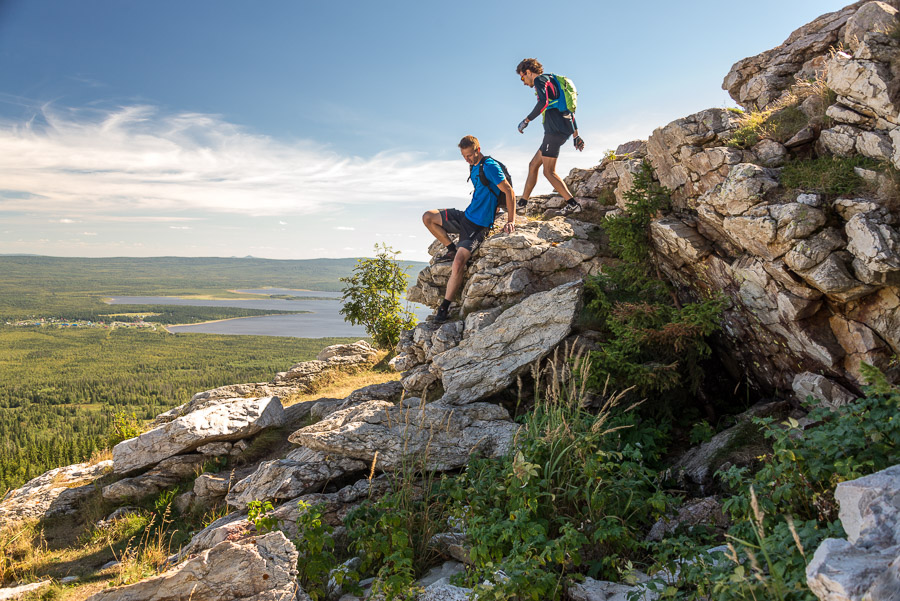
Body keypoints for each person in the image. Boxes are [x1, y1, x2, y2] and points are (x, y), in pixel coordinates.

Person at [422, 135, 516, 323]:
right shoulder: (472, 166)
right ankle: (450, 248)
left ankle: (445, 307)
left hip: (479, 225)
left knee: (458, 263)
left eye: (470, 156)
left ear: (478, 149)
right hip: (466, 216)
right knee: (428, 217)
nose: (467, 159)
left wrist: (511, 220)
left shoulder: (489, 166)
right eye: (464, 156)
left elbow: (509, 191)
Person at [515, 58, 584, 215]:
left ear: (528, 72)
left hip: (554, 131)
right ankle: (522, 204)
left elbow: (543, 103)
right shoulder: (551, 80)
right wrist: (576, 135)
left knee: (548, 171)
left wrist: (526, 121)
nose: (523, 82)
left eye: (522, 77)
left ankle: (573, 204)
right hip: (560, 130)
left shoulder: (540, 80)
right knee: (533, 165)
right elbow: (568, 111)